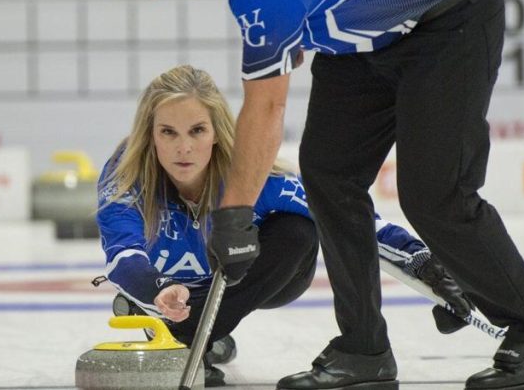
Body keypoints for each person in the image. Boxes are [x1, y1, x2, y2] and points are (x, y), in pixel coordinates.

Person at [101, 0, 524, 390]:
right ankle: (363, 351)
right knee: (328, 176)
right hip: (361, 33)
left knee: (435, 196)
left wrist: (233, 216)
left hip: (447, 20)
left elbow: (266, 108)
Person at [95, 65, 469, 387]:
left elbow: (349, 219)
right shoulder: (126, 178)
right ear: (150, 134)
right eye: (168, 133)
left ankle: (193, 336)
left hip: (248, 282)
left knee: (298, 228)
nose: (184, 148)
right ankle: (201, 331)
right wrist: (156, 289)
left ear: (216, 131)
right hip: (167, 291)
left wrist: (426, 265)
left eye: (197, 130)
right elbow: (122, 255)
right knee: (153, 290)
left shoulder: (252, 176)